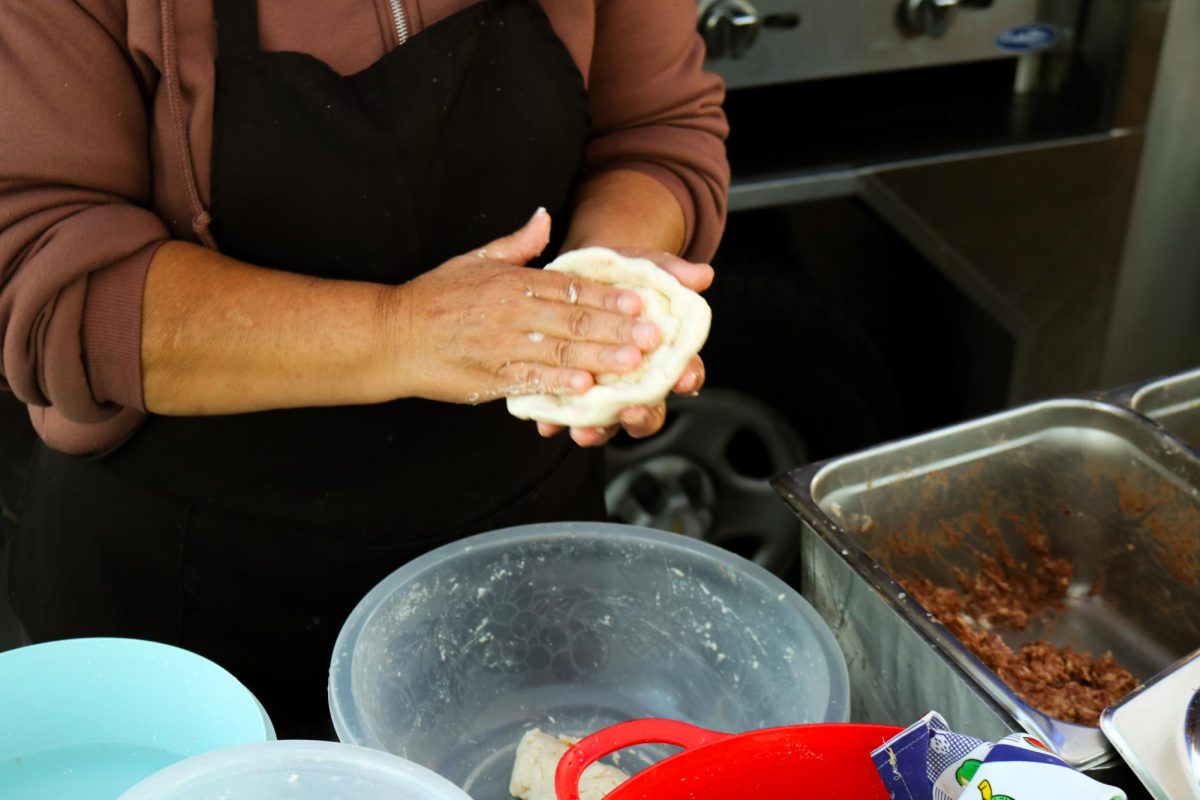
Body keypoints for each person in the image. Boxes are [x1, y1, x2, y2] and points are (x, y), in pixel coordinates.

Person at [0, 0, 728, 734]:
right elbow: (53, 286)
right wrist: (407, 332)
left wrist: (601, 307)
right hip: (191, 619)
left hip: (529, 577)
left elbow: (653, 133)